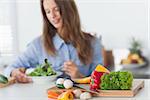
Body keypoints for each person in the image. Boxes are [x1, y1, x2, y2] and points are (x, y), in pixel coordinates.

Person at [4, 0, 103, 83]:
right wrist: (14, 73)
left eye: (56, 9)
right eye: (48, 11)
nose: (52, 16)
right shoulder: (39, 45)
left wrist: (79, 77)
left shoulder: (93, 43)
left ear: (69, 10)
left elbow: (101, 81)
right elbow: (10, 68)